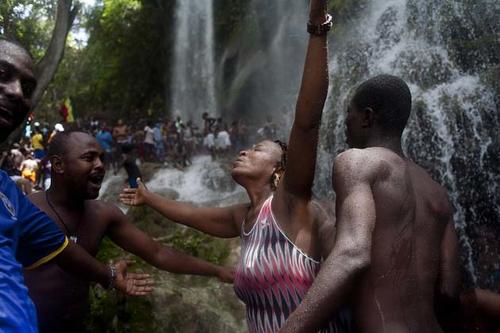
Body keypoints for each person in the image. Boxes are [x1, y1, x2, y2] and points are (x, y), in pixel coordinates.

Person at [121, 1, 350, 332]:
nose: (244, 151)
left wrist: (318, 29)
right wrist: (148, 197)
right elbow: (188, 214)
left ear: (279, 171)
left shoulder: (290, 204)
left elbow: (306, 122)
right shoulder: (243, 218)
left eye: (258, 150)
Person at [278, 74, 461, 333]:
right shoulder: (437, 193)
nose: (344, 122)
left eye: (348, 113)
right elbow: (449, 288)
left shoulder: (358, 162)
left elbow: (353, 254)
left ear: (366, 117)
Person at [0, 36, 152, 333]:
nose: (18, 93)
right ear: (57, 166)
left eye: (28, 88)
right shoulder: (28, 198)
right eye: (2, 75)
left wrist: (109, 275)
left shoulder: (9, 195)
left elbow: (61, 247)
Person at [24, 130, 234, 333]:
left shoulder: (103, 214)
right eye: (89, 158)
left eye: (101, 158)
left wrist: (217, 271)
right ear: (59, 165)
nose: (100, 165)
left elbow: (158, 253)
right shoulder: (26, 209)